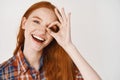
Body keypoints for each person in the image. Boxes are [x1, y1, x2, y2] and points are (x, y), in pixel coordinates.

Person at [0, 1, 101, 80]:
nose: (42, 31)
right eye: (36, 21)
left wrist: (68, 45)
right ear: (24, 23)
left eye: (50, 27)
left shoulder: (63, 68)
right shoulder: (3, 73)